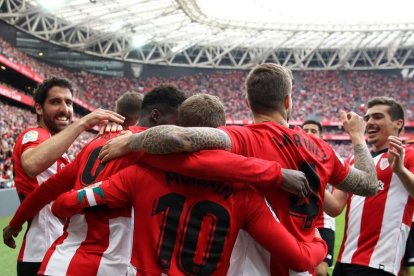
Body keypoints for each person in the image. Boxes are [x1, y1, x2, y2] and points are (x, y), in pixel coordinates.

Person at [97, 63, 378, 275]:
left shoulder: (242, 138)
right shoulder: (324, 149)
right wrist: (357, 137)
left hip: (252, 266)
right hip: (302, 262)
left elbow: (178, 138)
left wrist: (132, 141)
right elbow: (367, 184)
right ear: (288, 101)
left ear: (247, 103)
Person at [50, 94, 328, 275]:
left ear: (183, 127)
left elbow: (64, 203)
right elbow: (300, 259)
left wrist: (68, 207)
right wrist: (319, 243)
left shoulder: (141, 172)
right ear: (219, 132)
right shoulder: (244, 195)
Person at [11, 77, 124, 276]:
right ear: (39, 108)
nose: (65, 109)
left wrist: (14, 225)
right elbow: (31, 164)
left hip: (52, 248)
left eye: (69, 102)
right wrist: (83, 122)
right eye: (56, 102)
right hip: (42, 249)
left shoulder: (56, 147)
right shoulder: (36, 135)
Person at [333, 97, 414, 276]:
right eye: (367, 118)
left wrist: (399, 170)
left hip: (378, 264)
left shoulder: (409, 155)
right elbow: (334, 207)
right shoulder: (354, 160)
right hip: (343, 261)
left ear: (398, 123)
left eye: (377, 117)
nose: (369, 122)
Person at [303, 120, 336, 276]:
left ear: (321, 136)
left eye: (313, 131)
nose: (309, 133)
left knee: (321, 270)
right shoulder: (294, 156)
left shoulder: (329, 158)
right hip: (302, 220)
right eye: (306, 130)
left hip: (323, 221)